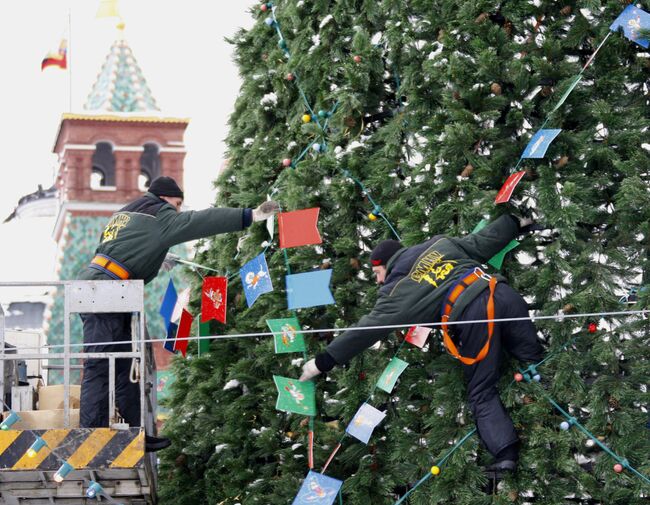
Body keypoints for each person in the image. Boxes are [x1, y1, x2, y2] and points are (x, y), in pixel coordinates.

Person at [300, 214, 544, 472]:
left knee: (481, 390)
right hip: (503, 294)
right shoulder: (441, 244)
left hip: (476, 316)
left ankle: (506, 454)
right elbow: (483, 241)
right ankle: (554, 396)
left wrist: (322, 361)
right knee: (533, 359)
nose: (378, 281)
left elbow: (367, 329)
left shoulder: (398, 290)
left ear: (387, 265)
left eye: (377, 273)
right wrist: (515, 222)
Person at [77, 176, 279, 452]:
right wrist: (249, 215)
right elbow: (201, 221)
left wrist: (157, 258)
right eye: (178, 203)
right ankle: (91, 435)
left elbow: (122, 249)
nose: (179, 210)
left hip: (104, 287)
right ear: (165, 198)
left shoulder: (125, 214)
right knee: (101, 365)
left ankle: (136, 435)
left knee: (123, 367)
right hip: (107, 291)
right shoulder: (162, 215)